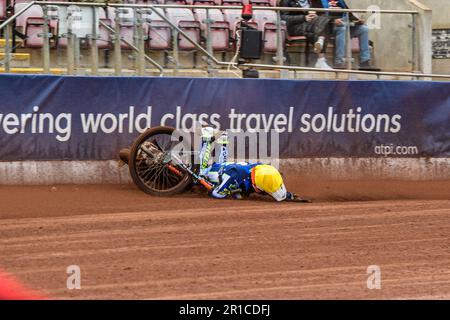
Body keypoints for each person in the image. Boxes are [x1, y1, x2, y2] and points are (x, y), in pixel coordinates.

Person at [198, 127, 297, 201]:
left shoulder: (260, 168)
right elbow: (217, 194)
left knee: (223, 168)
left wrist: (288, 195)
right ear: (257, 186)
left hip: (227, 168)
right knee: (201, 173)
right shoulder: (235, 178)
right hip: (217, 173)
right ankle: (207, 140)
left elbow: (271, 182)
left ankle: (223, 142)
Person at [323, 0, 376, 70]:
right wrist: (332, 21)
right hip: (331, 27)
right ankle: (339, 62)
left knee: (364, 29)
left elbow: (349, 14)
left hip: (345, 24)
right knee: (342, 29)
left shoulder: (341, 2)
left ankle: (364, 61)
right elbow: (320, 16)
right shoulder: (322, 1)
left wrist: (357, 21)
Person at [280, 0, 333, 70]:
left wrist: (316, 17)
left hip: (312, 25)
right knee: (320, 28)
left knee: (324, 22)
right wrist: (303, 18)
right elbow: (283, 17)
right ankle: (321, 57)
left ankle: (320, 44)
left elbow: (322, 14)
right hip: (295, 27)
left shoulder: (312, 1)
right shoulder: (286, 1)